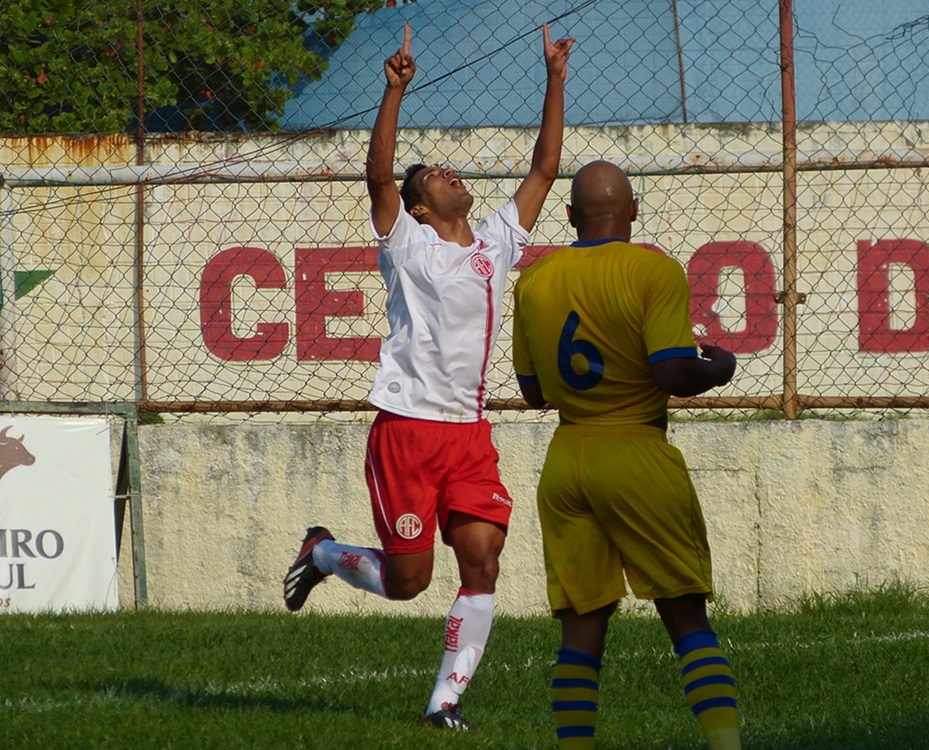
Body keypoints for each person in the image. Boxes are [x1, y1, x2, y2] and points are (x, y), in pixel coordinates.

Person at [282, 22, 574, 732]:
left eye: (448, 169)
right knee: (408, 582)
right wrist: (393, 91)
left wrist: (556, 80)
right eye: (433, 175)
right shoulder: (405, 242)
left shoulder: (497, 244)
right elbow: (378, 175)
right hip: (407, 432)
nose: (448, 172)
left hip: (468, 435)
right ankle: (322, 552)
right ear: (417, 206)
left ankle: (443, 704)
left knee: (483, 564)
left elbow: (542, 170)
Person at [511, 160, 742, 750]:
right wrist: (718, 368)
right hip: (635, 448)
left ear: (569, 217)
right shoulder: (653, 270)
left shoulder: (534, 280)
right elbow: (671, 370)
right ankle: (725, 745)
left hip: (567, 461)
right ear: (634, 212)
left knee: (581, 628)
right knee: (686, 618)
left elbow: (533, 391)